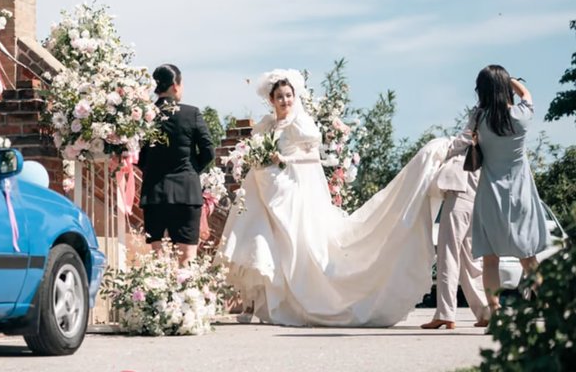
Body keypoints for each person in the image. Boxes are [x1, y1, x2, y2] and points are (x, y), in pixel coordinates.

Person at [219, 69, 449, 327]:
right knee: (269, 245)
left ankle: (303, 301)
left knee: (299, 246)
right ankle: (273, 305)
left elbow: (313, 158)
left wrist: (285, 159)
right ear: (271, 100)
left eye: (288, 95)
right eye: (280, 97)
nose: (285, 101)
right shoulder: (267, 125)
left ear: (295, 97)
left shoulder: (300, 124)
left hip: (293, 193)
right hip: (268, 190)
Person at [468, 66, 548, 318]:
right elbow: (527, 95)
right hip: (520, 192)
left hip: (490, 193)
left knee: (490, 260)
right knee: (528, 257)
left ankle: (494, 310)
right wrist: (511, 80)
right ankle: (543, 305)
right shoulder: (521, 116)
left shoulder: (478, 117)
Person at [137, 64, 215, 263]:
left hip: (154, 194)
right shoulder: (191, 113)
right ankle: (185, 294)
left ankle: (157, 294)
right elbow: (208, 151)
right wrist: (191, 169)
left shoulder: (144, 117)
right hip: (186, 194)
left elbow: (139, 156)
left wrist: (152, 169)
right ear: (175, 85)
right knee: (187, 257)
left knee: (158, 258)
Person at [420, 134, 488, 330]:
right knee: (471, 259)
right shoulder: (490, 146)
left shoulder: (464, 144)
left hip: (458, 198)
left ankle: (445, 313)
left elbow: (451, 147)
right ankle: (484, 311)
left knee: (448, 255)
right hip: (477, 201)